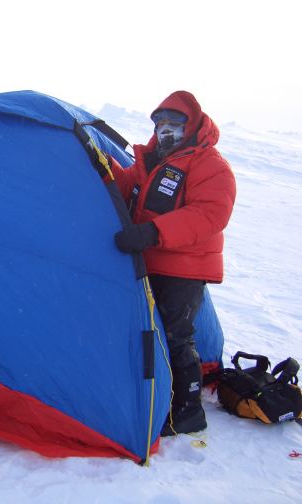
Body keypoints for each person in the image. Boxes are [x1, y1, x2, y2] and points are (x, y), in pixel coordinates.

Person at [109, 90, 236, 436]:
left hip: (186, 266)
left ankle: (188, 410)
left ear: (190, 124)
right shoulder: (153, 161)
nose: (166, 129)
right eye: (160, 123)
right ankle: (159, 400)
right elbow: (128, 188)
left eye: (174, 123)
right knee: (151, 333)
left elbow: (210, 213)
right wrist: (103, 170)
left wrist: (152, 232)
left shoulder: (208, 163)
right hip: (151, 261)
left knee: (176, 336)